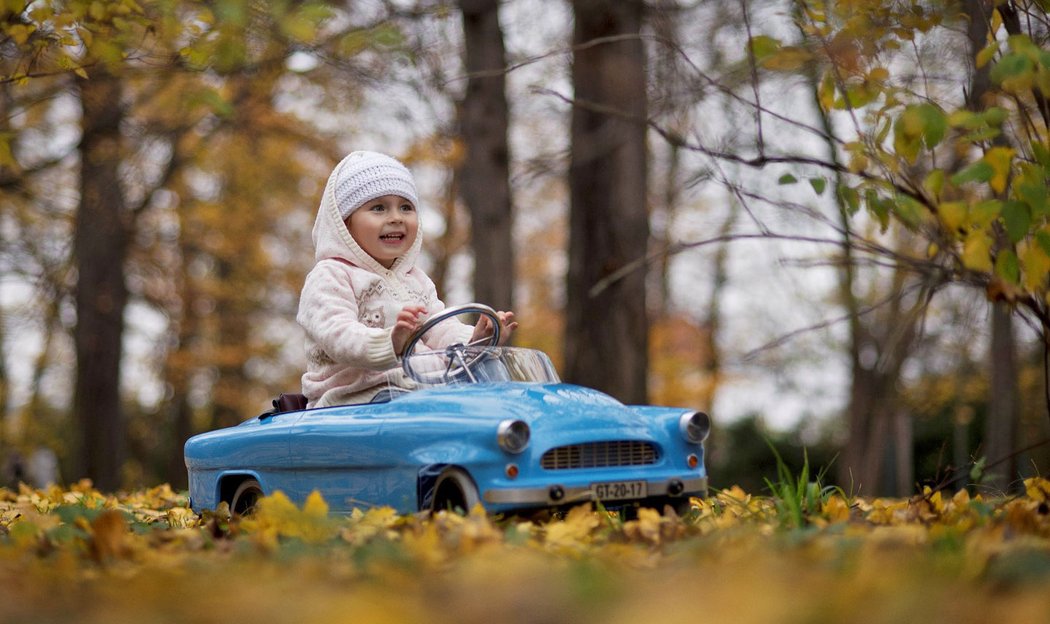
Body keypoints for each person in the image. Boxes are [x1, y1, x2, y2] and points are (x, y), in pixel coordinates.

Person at [297, 150, 517, 407]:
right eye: (378, 208)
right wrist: (390, 343)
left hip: (418, 388)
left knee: (487, 372)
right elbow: (337, 335)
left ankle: (514, 420)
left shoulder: (415, 280)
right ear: (345, 224)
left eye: (406, 207)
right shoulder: (330, 275)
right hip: (357, 398)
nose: (396, 217)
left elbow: (440, 328)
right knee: (424, 406)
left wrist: (475, 341)